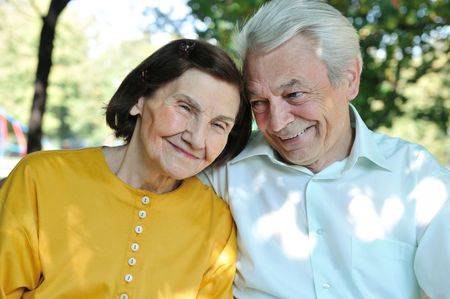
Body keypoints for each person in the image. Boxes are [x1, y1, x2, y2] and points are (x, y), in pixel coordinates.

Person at [199, 1, 450, 298]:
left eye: (294, 94)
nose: (277, 123)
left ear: (350, 79)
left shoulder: (415, 175)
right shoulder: (224, 169)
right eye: (259, 103)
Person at [0, 38, 252, 299]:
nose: (197, 139)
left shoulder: (217, 223)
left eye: (219, 125)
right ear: (139, 99)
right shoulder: (40, 179)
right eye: (185, 108)